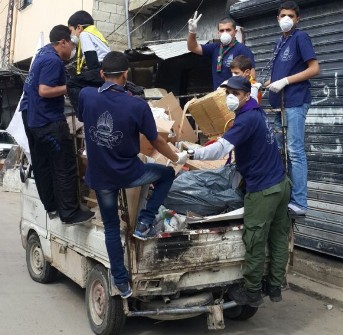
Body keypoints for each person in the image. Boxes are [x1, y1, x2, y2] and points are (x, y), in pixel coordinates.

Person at [78, 51, 187, 298]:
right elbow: (156, 141)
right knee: (166, 175)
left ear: (103, 74)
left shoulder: (87, 96)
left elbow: (86, 112)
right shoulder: (137, 105)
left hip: (101, 178)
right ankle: (144, 222)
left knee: (111, 229)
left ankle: (121, 282)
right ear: (126, 75)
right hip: (129, 174)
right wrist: (175, 158)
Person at [188, 76, 291, 306]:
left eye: (235, 94)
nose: (230, 98)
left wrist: (192, 154)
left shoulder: (245, 121)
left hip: (263, 189)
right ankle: (275, 287)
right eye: (227, 94)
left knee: (254, 240)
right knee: (278, 237)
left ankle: (252, 292)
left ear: (245, 96)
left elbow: (220, 150)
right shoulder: (256, 110)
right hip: (281, 184)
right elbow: (254, 89)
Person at [25, 24, 94, 224]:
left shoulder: (42, 54)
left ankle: (56, 207)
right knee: (65, 166)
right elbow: (44, 90)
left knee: (51, 167)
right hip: (50, 124)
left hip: (38, 123)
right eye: (71, 45)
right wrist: (70, 87)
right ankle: (70, 214)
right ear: (62, 42)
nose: (72, 49)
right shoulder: (52, 60)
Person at [266, 1, 320, 216]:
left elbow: (314, 68)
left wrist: (286, 81)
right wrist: (262, 85)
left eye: (290, 15)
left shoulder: (300, 37)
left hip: (296, 102)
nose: (286, 19)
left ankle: (300, 202)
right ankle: (284, 196)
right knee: (280, 152)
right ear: (277, 19)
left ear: (297, 19)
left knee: (295, 152)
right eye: (282, 15)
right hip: (280, 105)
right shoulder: (280, 42)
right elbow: (278, 76)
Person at [187, 13, 256, 90]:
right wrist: (192, 32)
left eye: (228, 30)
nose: (225, 33)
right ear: (218, 33)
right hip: (218, 95)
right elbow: (192, 47)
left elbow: (251, 76)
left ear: (235, 32)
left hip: (235, 96)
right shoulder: (214, 47)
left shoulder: (242, 49)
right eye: (222, 30)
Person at [67, 10, 110, 116]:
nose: (71, 35)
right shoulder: (95, 33)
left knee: (72, 84)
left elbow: (92, 61)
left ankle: (82, 114)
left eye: (71, 30)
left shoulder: (84, 35)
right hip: (108, 68)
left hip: (100, 69)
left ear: (79, 28)